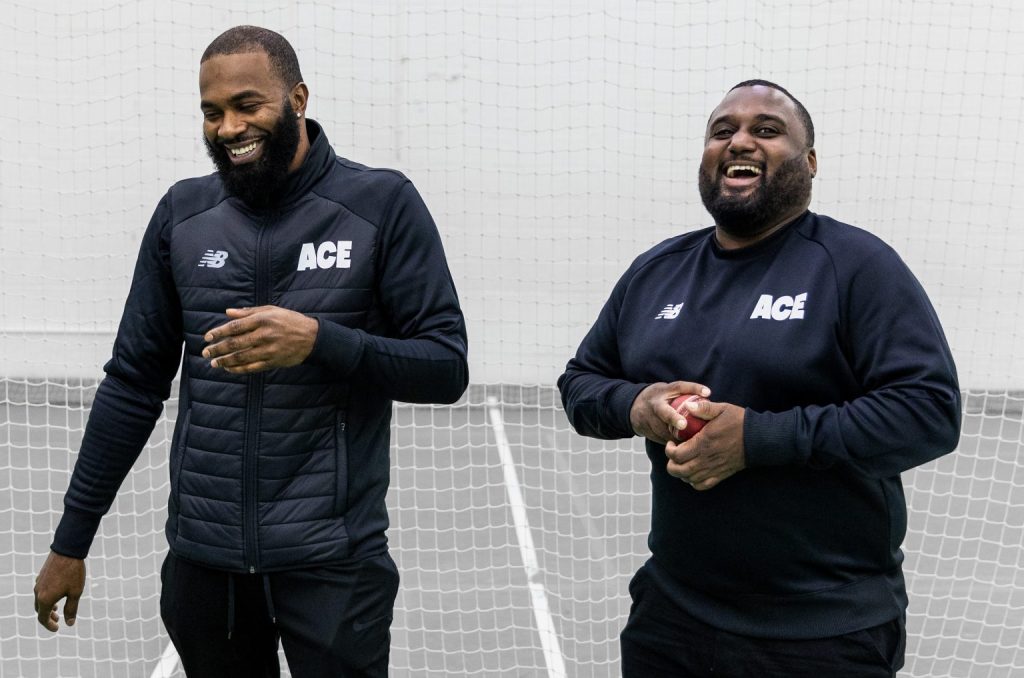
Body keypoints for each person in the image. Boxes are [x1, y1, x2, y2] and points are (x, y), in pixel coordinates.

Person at [32, 25, 468, 678]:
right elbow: (131, 384)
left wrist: (320, 341)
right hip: (205, 566)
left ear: (297, 99)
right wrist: (71, 541)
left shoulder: (380, 204)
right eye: (212, 112)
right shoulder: (182, 216)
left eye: (247, 105)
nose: (229, 127)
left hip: (333, 563)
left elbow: (445, 367)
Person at [558, 80, 960, 677]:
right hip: (671, 619)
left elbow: (928, 412)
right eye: (722, 131)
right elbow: (581, 381)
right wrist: (635, 404)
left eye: (766, 130)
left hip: (823, 632)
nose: (739, 140)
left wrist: (757, 440)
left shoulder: (857, 266)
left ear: (811, 161)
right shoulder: (656, 271)